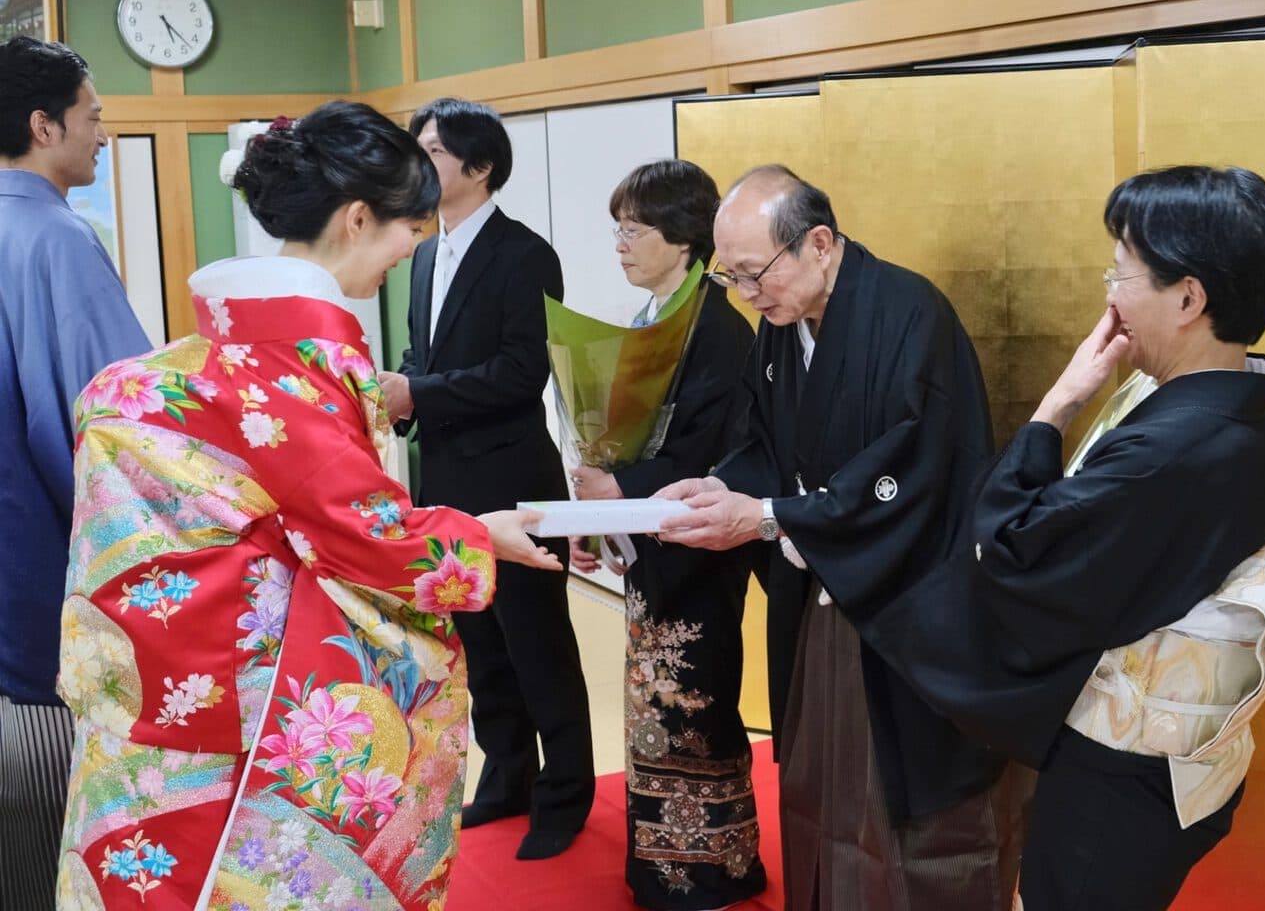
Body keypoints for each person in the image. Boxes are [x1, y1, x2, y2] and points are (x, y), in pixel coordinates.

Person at [53, 101, 561, 910]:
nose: (409, 251)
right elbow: (366, 536)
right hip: (245, 700)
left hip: (158, 682)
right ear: (359, 218)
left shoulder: (150, 374)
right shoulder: (298, 368)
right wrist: (478, 538)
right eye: (409, 231)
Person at [657, 165, 1027, 911]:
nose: (751, 296)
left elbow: (910, 469)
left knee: (905, 806)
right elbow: (767, 439)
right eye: (732, 281)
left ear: (819, 243)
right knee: (820, 787)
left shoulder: (909, 314)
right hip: (820, 590)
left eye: (756, 274)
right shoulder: (781, 325)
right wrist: (728, 485)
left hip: (905, 607)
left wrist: (771, 518)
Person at [961, 165, 1265, 909]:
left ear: (1188, 297)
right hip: (1181, 763)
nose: (1108, 296)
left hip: (1120, 771)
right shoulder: (1255, 415)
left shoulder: (1171, 449)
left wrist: (1059, 403)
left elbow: (1013, 554)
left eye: (1119, 275)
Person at [378, 97, 594, 860]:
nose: (419, 162)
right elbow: (420, 357)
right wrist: (398, 399)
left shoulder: (524, 253)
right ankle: (509, 777)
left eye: (433, 151)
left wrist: (419, 393)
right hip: (443, 480)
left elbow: (520, 371)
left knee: (538, 645)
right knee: (479, 646)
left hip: (513, 478)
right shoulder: (426, 250)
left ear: (480, 167)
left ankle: (567, 794)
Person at [568, 160, 765, 909]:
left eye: (634, 228)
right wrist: (600, 510)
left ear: (684, 239)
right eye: (617, 227)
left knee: (694, 699)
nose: (619, 243)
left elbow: (716, 450)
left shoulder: (714, 326)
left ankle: (709, 867)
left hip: (698, 541)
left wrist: (623, 490)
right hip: (654, 538)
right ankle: (666, 860)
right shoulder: (659, 316)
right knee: (657, 703)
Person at [0, 35, 151, 911]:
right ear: (41, 124)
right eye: (93, 117)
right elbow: (120, 435)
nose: (103, 135)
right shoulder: (57, 238)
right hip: (37, 593)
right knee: (49, 845)